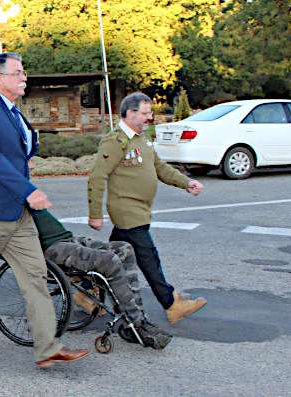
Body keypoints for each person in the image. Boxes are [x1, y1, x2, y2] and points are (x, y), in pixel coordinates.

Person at [0, 53, 88, 374]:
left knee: (36, 276)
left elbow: (20, 150)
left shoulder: (13, 112)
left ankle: (47, 347)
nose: (25, 77)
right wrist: (28, 189)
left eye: (24, 71)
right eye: (18, 72)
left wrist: (29, 157)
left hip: (17, 215)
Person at [88, 91, 207, 325]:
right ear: (130, 113)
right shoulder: (115, 141)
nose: (149, 117)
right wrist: (95, 214)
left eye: (150, 112)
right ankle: (172, 304)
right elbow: (96, 177)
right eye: (145, 113)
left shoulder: (141, 138)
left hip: (140, 210)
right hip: (126, 211)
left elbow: (160, 168)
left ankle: (89, 295)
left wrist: (186, 182)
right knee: (148, 257)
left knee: (112, 256)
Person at [32, 209, 172, 349]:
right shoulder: (14, 202)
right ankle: (136, 323)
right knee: (110, 261)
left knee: (125, 248)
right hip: (52, 249)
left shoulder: (25, 193)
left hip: (67, 239)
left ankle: (136, 317)